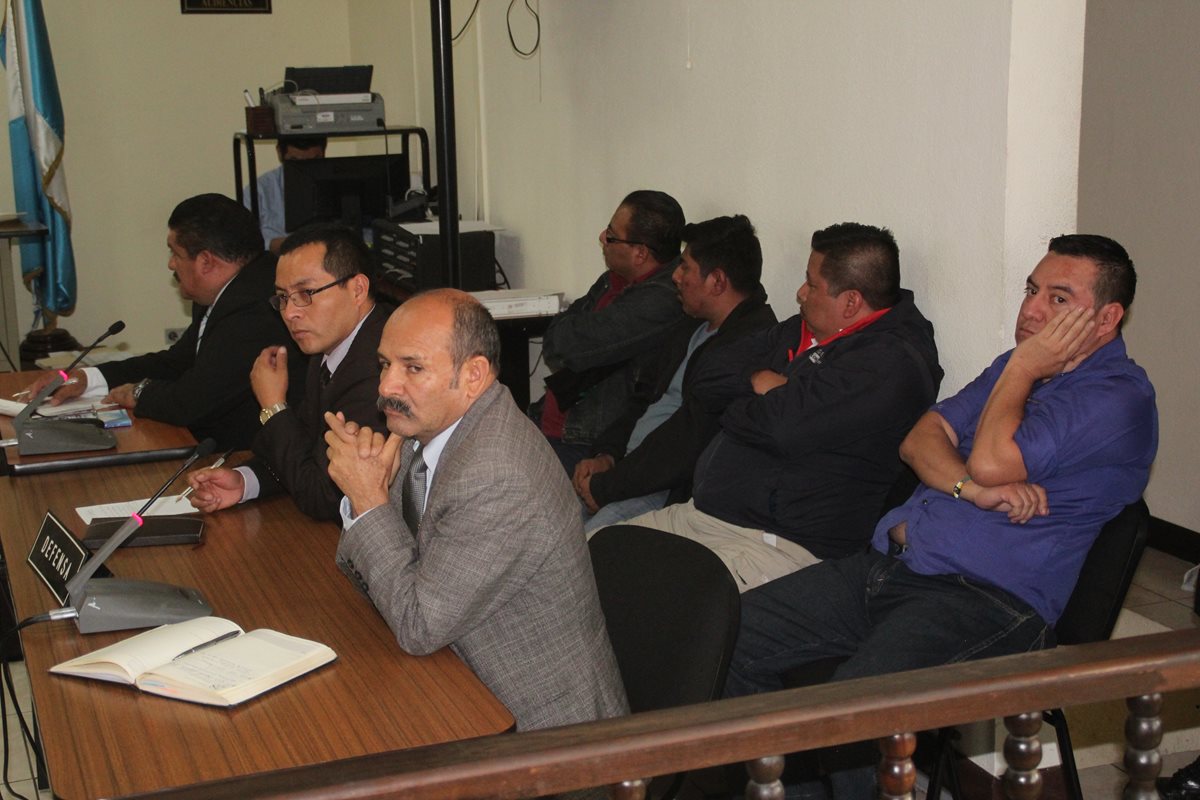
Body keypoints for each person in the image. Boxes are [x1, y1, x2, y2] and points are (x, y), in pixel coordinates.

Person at [723, 234, 1158, 799]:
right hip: (890, 567)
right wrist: (969, 488)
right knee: (727, 637)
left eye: (1057, 299)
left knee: (850, 715)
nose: (1030, 309)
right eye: (1031, 289)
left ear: (1108, 319)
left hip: (983, 600)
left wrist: (1024, 367)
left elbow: (994, 457)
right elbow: (919, 439)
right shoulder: (1013, 369)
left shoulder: (1118, 397)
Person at [324, 289, 628, 733]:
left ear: (473, 375)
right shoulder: (425, 428)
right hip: (457, 679)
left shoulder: (496, 474)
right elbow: (376, 580)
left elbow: (417, 626)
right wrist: (368, 497)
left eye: (413, 368)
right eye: (385, 365)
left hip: (548, 738)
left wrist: (370, 502)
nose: (387, 387)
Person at [617, 222, 942, 590]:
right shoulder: (799, 330)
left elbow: (782, 428)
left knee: (638, 601)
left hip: (777, 546)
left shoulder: (890, 364)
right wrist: (764, 384)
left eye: (812, 283)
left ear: (850, 301)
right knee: (589, 561)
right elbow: (707, 377)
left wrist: (757, 403)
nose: (800, 293)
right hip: (702, 517)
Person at [21, 193, 304, 450]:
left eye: (175, 253)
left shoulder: (255, 307)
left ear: (206, 262)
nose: (171, 264)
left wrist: (139, 392)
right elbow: (175, 363)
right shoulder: (226, 292)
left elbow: (192, 402)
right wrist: (88, 378)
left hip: (251, 465)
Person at [572, 214, 776, 531]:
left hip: (668, 492)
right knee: (541, 530)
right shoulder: (690, 325)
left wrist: (607, 486)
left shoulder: (752, 345)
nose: (675, 277)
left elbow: (689, 442)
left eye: (685, 267)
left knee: (586, 551)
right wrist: (607, 454)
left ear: (718, 281)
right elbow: (642, 398)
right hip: (624, 473)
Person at [186, 224, 391, 521]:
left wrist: (273, 407)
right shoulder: (331, 346)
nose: (290, 312)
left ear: (357, 289)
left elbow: (324, 496)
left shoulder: (380, 369)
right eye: (283, 297)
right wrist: (245, 482)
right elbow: (305, 449)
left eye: (306, 293)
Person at [533, 189, 687, 475]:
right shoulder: (613, 278)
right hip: (552, 425)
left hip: (586, 444)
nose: (603, 237)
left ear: (640, 253)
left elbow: (569, 347)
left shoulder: (663, 299)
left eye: (612, 236)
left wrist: (569, 333)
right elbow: (556, 338)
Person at [245, 135, 327, 254]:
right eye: (295, 162)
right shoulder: (259, 190)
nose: (303, 170)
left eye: (313, 161)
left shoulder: (338, 184)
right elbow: (245, 241)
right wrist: (275, 245)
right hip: (274, 261)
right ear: (279, 152)